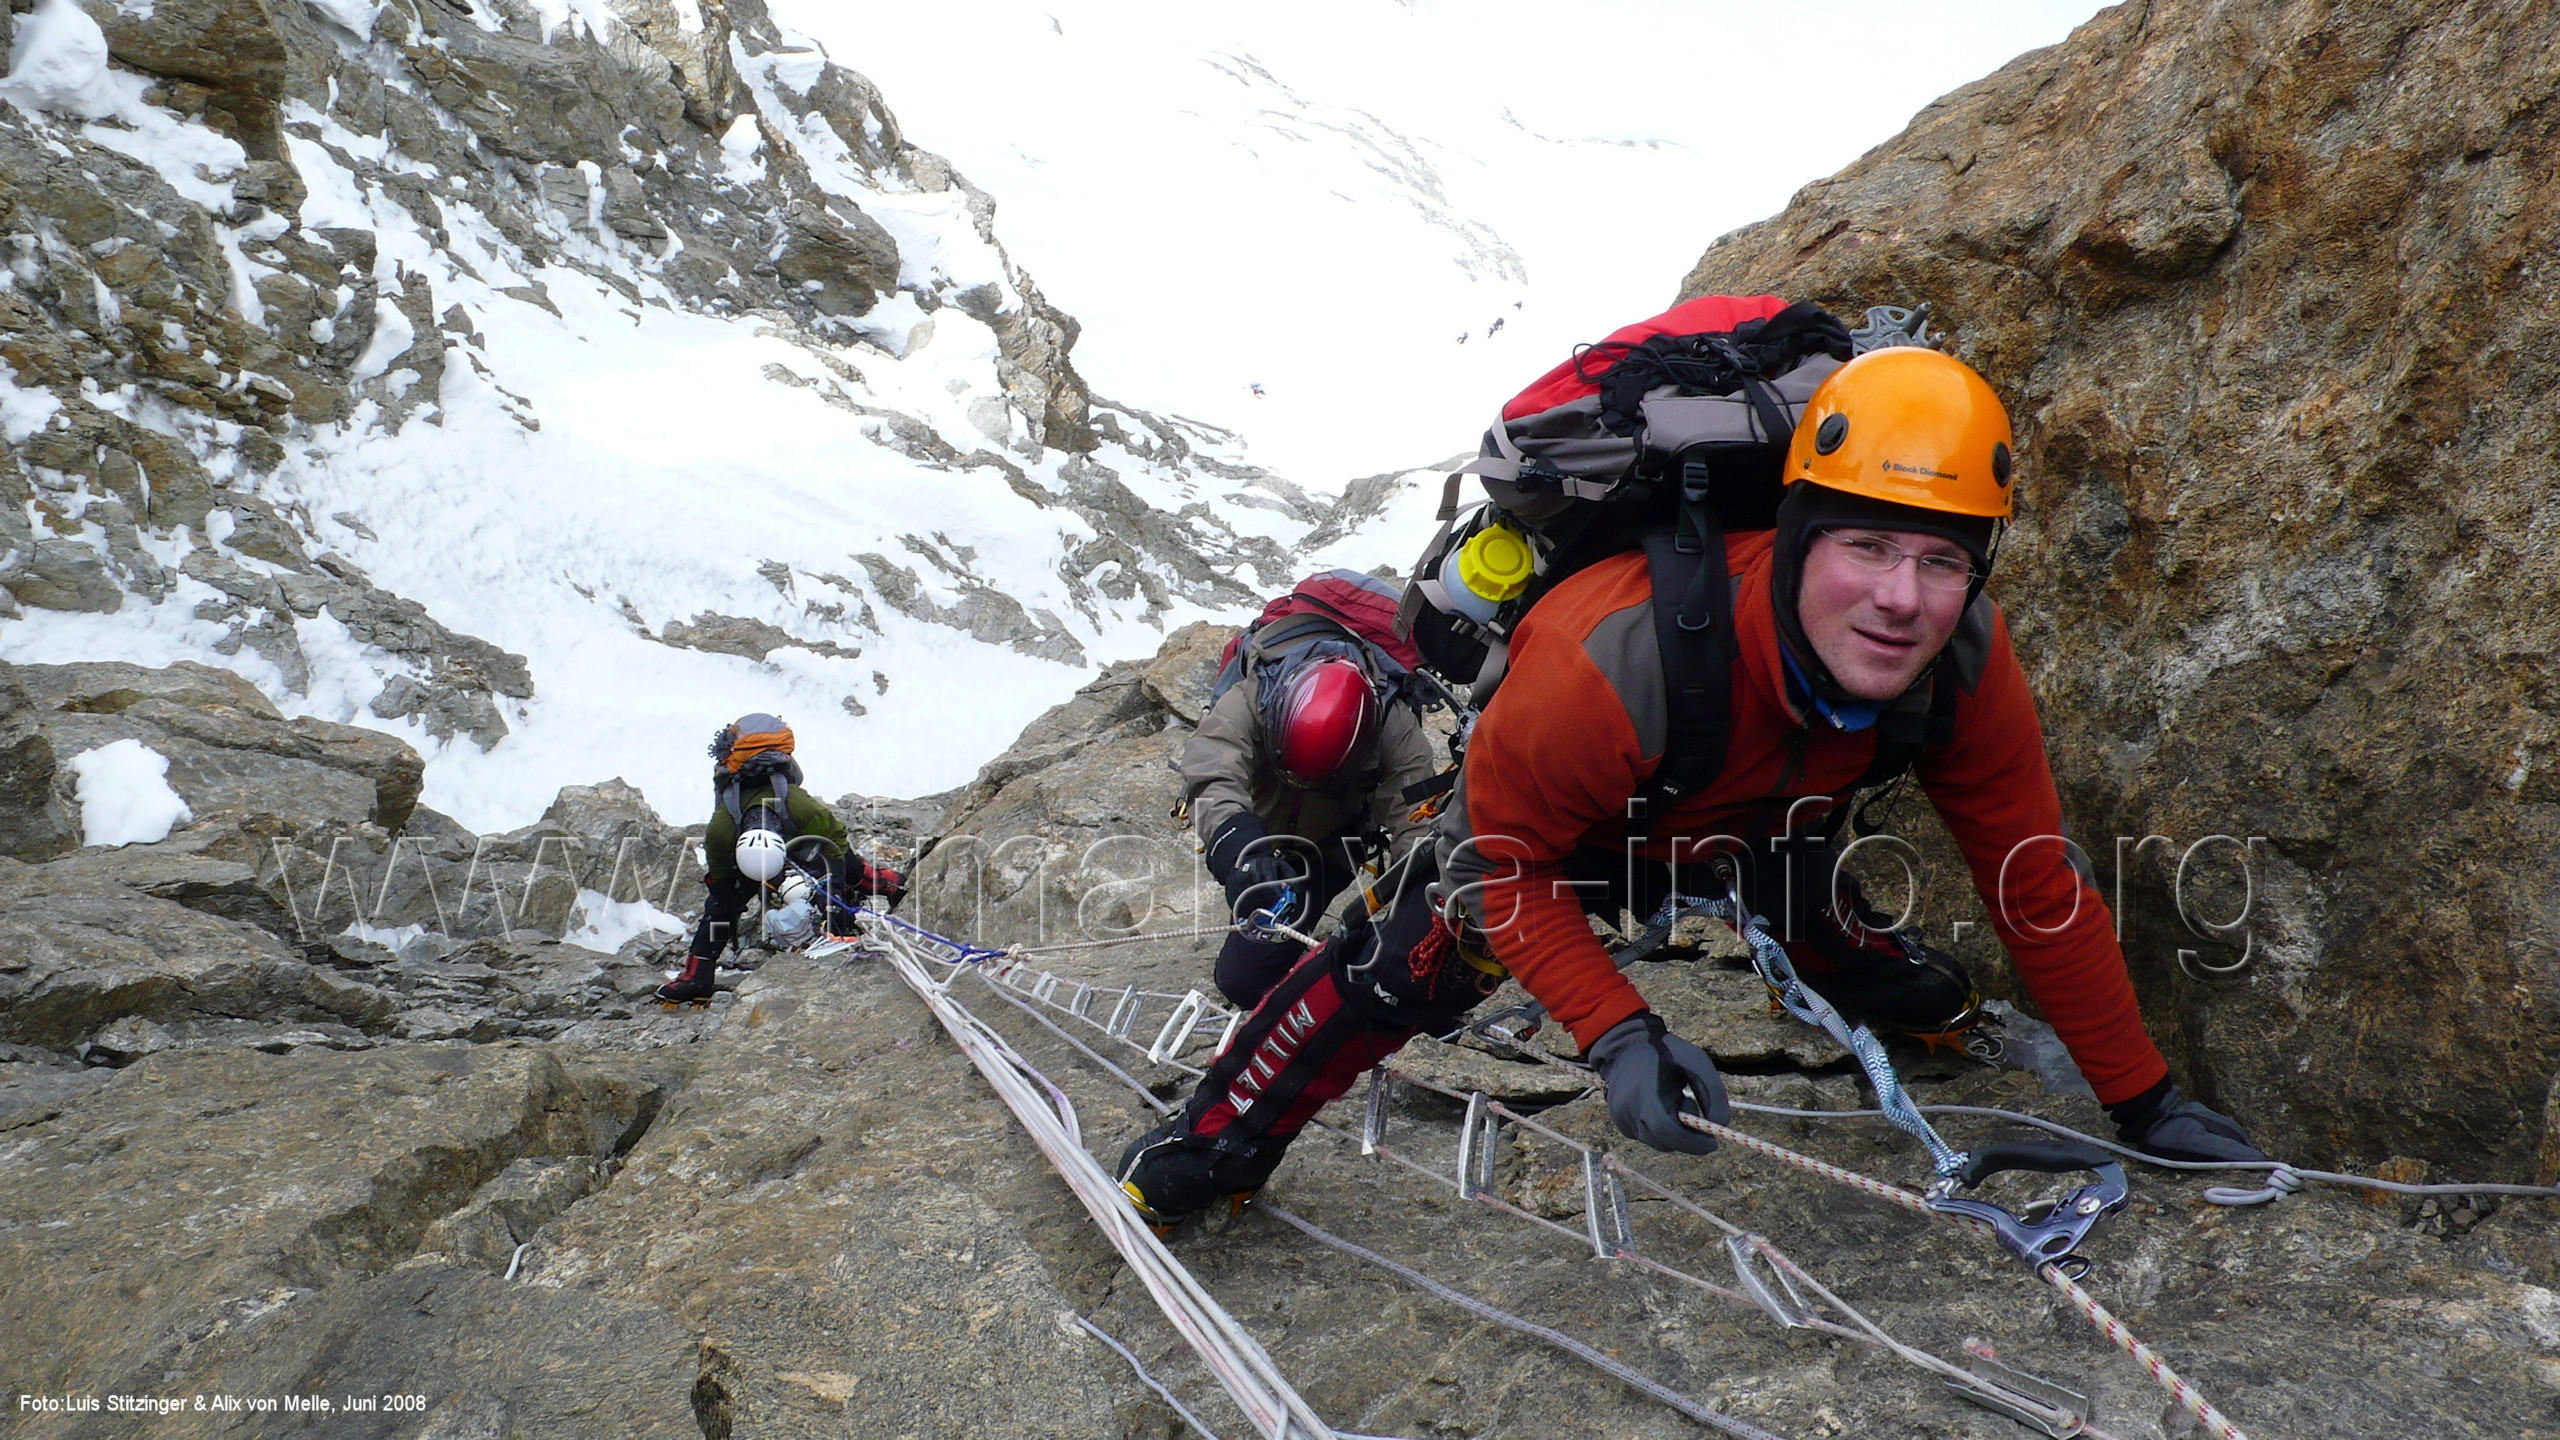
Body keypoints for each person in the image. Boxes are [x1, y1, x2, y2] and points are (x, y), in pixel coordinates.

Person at [1121, 347, 2264, 1225]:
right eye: (1867, 546)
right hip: (1585, 831)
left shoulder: (1961, 657)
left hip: (1763, 818)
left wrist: (2142, 1101)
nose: (1902, 598)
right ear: (1798, 537)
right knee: (1408, 961)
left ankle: (1907, 1002)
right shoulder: (1606, 659)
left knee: (1832, 934)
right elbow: (1497, 866)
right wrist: (1617, 1031)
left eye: (1942, 559)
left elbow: (2033, 883)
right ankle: (1212, 1143)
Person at [1178, 612, 1442, 1013]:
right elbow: (1212, 771)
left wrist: (1416, 914)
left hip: (1331, 843)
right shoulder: (1250, 699)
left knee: (1248, 978)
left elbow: (1417, 821)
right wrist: (1242, 854)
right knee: (1242, 982)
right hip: (1259, 834)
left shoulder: (1396, 730)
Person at [656, 713, 905, 1005]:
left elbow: (836, 843)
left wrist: (834, 898)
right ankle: (696, 977)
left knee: (846, 870)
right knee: (721, 909)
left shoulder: (798, 806)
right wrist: (724, 892)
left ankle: (886, 885)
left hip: (799, 840)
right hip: (746, 855)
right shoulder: (722, 829)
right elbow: (720, 883)